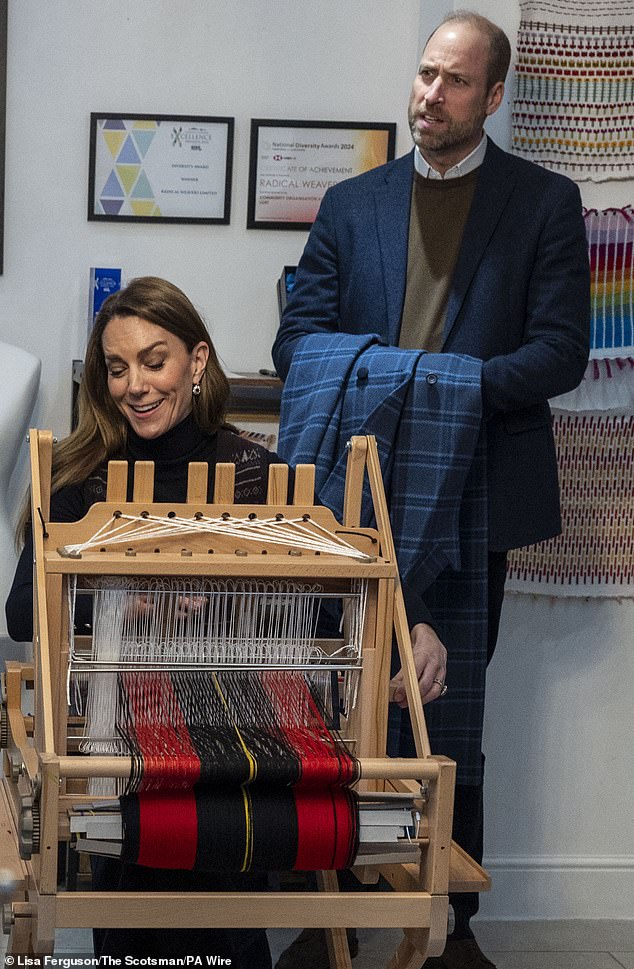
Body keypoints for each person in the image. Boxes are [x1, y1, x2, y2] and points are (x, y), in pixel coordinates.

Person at [272, 12, 590, 969]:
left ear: (493, 96)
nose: (429, 95)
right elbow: (297, 342)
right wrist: (403, 378)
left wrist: (448, 389)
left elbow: (561, 352)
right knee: (340, 705)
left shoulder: (544, 202)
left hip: (478, 487)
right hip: (352, 494)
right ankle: (334, 913)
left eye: (454, 82)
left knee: (454, 711)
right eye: (424, 74)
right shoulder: (350, 201)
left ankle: (456, 925)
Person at [6, 275, 279, 968]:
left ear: (198, 361)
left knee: (224, 937)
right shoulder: (78, 478)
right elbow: (21, 611)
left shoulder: (256, 474)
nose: (135, 383)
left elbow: (338, 577)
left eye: (154, 360)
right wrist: (128, 597)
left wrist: (417, 626)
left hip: (230, 748)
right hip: (111, 752)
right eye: (117, 366)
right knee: (132, 936)